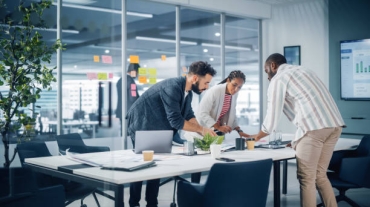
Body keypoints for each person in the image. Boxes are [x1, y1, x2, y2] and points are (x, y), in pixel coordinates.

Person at [253, 53, 345, 207]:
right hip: (334, 126)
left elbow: (272, 114)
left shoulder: (279, 79)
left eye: (266, 70)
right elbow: (308, 107)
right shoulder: (305, 71)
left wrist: (257, 136)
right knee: (320, 176)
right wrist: (299, 140)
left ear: (273, 66)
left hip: (314, 129)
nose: (267, 75)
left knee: (307, 178)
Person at [126, 61, 217, 207]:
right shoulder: (173, 87)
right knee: (141, 166)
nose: (207, 87)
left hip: (157, 126)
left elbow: (188, 114)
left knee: (155, 165)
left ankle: (151, 203)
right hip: (141, 123)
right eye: (206, 83)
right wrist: (201, 130)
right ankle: (134, 203)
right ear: (194, 78)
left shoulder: (187, 93)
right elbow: (176, 121)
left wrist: (202, 130)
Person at [195, 70, 250, 138]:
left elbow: (232, 113)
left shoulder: (234, 95)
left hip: (217, 132)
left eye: (239, 87)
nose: (236, 89)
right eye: (234, 85)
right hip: (203, 130)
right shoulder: (215, 91)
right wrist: (218, 127)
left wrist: (239, 131)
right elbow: (202, 113)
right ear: (228, 80)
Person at [116, 63, 140, 131]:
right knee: (131, 132)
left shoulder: (120, 80)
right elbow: (133, 97)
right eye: (137, 72)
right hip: (130, 112)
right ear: (134, 71)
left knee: (123, 131)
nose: (138, 75)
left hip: (122, 111)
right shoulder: (131, 81)